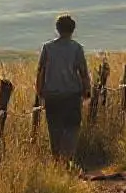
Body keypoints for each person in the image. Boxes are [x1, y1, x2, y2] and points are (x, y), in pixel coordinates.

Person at [35, 13, 91, 164]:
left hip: (52, 95)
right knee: (72, 128)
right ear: (73, 30)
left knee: (54, 130)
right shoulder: (77, 48)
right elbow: (83, 72)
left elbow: (41, 71)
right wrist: (87, 90)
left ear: (57, 29)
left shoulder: (47, 48)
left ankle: (57, 160)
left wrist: (40, 91)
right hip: (72, 95)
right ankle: (67, 160)